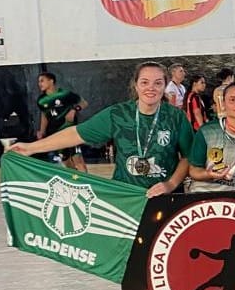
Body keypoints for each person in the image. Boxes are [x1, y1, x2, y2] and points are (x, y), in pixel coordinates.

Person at [11, 62, 193, 197]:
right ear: (136, 85)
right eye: (145, 82)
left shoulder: (176, 117)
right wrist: (30, 148)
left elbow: (187, 157)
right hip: (127, 197)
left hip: (167, 198)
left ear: (164, 86)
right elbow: (75, 134)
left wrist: (170, 184)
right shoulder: (118, 114)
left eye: (158, 83)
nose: (151, 88)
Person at [35, 71, 88, 172]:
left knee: (78, 160)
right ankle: (76, 181)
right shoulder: (41, 100)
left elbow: (84, 103)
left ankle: (87, 183)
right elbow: (44, 115)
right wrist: (42, 131)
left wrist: (74, 110)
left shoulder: (65, 94)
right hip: (56, 134)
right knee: (66, 162)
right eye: (38, 81)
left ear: (51, 81)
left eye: (42, 81)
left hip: (71, 132)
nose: (39, 84)